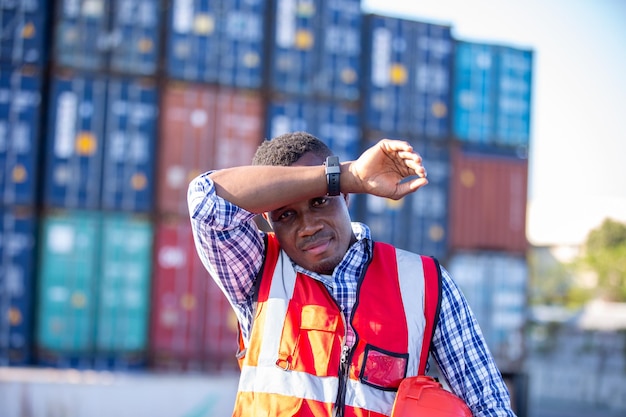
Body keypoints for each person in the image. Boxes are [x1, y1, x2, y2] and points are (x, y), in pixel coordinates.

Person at [188, 131, 516, 417]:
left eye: (319, 202)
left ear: (344, 197)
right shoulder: (256, 270)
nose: (308, 227)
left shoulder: (424, 284)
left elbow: (490, 405)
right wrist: (347, 174)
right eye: (286, 214)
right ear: (269, 221)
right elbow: (204, 201)